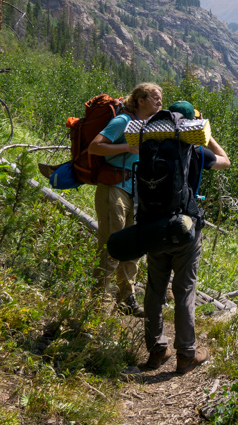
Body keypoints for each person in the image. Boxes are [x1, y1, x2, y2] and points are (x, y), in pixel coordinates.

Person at [140, 100, 230, 374]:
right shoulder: (197, 151)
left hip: (153, 226)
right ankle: (186, 354)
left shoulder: (149, 148)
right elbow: (226, 161)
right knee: (184, 290)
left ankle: (156, 351)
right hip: (185, 229)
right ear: (192, 124)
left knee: (154, 289)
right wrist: (207, 135)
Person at [86, 82, 163, 317]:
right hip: (114, 188)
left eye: (160, 98)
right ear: (140, 100)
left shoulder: (149, 126)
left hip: (135, 192)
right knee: (112, 245)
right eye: (155, 98)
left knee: (134, 247)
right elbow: (94, 147)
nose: (160, 102)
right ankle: (97, 303)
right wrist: (128, 148)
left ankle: (126, 299)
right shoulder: (123, 121)